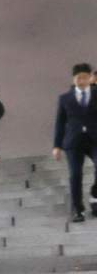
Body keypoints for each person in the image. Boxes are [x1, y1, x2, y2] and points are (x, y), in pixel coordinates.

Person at [53, 63, 97, 222]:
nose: (82, 80)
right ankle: (78, 210)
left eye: (85, 77)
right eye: (78, 77)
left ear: (90, 78)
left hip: (95, 140)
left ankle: (95, 196)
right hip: (73, 142)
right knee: (75, 175)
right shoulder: (64, 98)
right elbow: (59, 122)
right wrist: (56, 146)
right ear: (74, 78)